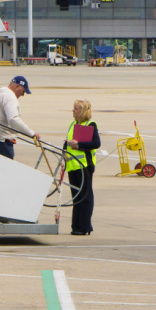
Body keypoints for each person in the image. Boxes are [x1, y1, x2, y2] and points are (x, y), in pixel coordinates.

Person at [0, 76, 41, 159]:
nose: (23, 95)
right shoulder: (10, 97)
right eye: (23, 91)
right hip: (0, 139)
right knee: (6, 167)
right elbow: (13, 119)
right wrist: (31, 133)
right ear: (17, 87)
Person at [64, 99, 100, 235]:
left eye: (76, 109)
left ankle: (84, 226)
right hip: (72, 166)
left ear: (83, 111)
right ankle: (76, 226)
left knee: (85, 196)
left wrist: (78, 145)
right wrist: (64, 152)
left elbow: (96, 143)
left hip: (85, 165)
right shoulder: (72, 124)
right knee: (76, 197)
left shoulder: (91, 124)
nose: (73, 111)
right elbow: (67, 141)